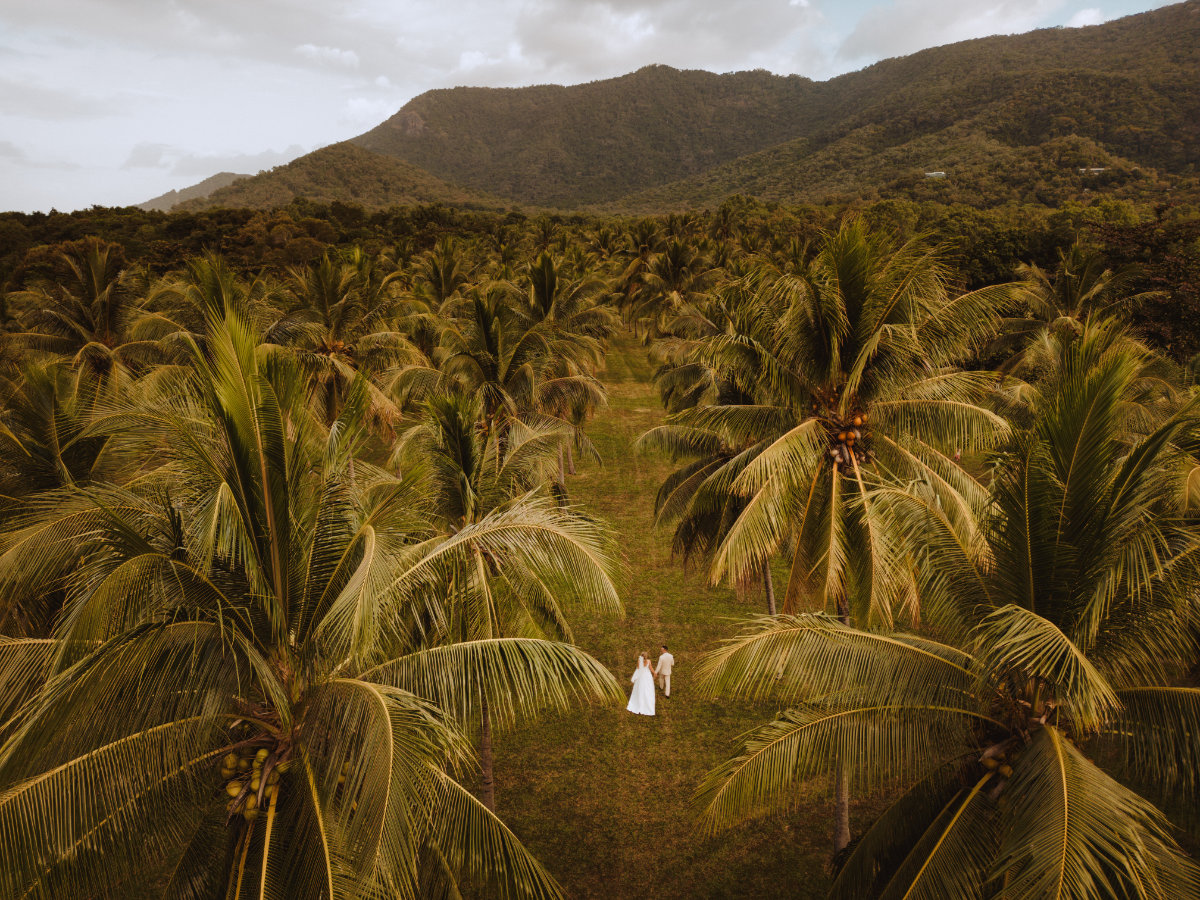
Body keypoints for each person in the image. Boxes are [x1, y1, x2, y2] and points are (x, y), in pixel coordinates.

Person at [626, 651, 656, 716]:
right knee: (648, 689)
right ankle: (647, 704)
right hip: (647, 676)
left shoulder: (639, 661)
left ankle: (638, 703)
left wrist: (635, 676)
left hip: (641, 676)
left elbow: (638, 669)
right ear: (646, 656)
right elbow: (651, 668)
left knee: (640, 688)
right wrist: (654, 673)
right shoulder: (648, 661)